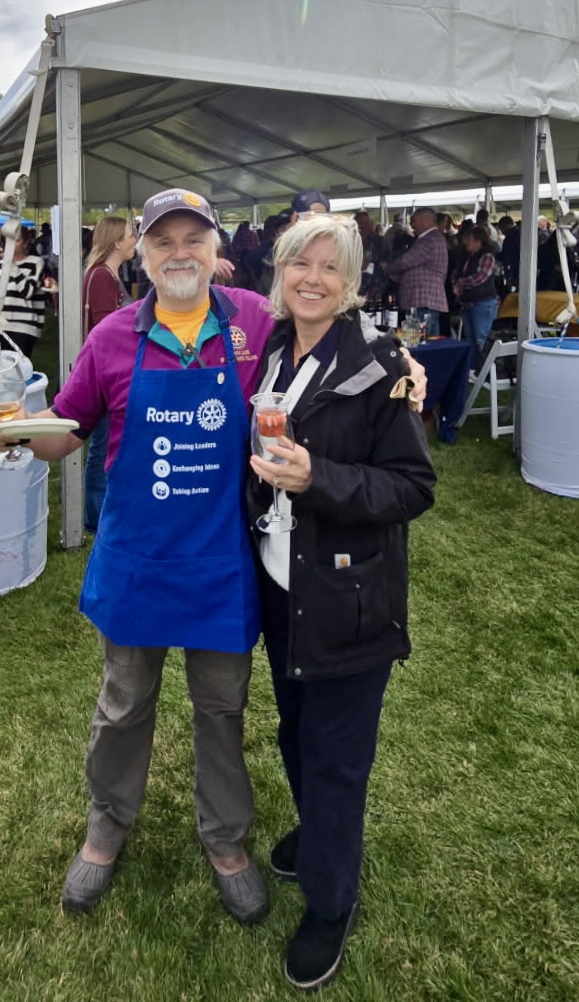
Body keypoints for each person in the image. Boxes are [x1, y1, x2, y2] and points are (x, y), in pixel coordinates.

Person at [0, 188, 428, 929]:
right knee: (123, 707)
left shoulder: (255, 321)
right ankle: (105, 830)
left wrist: (399, 360)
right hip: (137, 559)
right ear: (142, 255)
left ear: (217, 250)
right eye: (164, 241)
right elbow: (70, 429)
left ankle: (226, 842)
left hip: (223, 565)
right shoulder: (114, 338)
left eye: (195, 239)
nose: (180, 253)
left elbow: (332, 331)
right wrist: (20, 434)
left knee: (221, 712)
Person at [247, 214, 435, 991]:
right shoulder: (274, 345)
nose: (313, 279)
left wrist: (317, 476)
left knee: (336, 758)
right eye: (300, 264)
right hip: (282, 588)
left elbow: (412, 486)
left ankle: (332, 900)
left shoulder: (382, 365)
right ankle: (321, 838)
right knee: (297, 734)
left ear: (353, 281)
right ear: (281, 273)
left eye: (331, 267)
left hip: (350, 599)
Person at [81, 216, 137, 533]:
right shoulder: (102, 276)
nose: (134, 240)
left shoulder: (106, 273)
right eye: (131, 235)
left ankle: (100, 509)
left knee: (105, 443)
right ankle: (95, 515)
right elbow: (105, 331)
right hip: (105, 374)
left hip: (108, 372)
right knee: (101, 446)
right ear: (117, 241)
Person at [386, 207, 449, 336]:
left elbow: (406, 261)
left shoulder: (429, 239)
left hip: (423, 301)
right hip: (423, 301)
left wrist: (387, 267)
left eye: (414, 221)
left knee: (421, 344)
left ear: (426, 220)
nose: (412, 225)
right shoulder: (431, 238)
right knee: (427, 343)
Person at [0, 231, 45, 359]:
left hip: (23, 325)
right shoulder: (1, 264)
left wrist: (11, 264)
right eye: (8, 241)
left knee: (17, 370)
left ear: (26, 243)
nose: (10, 245)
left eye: (16, 240)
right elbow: (2, 294)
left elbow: (28, 292)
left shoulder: (36, 262)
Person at [452, 226, 500, 367]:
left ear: (478, 241)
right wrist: (455, 282)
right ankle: (473, 369)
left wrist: (459, 283)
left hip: (483, 302)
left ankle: (488, 370)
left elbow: (480, 277)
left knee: (481, 339)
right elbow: (456, 273)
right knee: (470, 339)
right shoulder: (467, 257)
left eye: (469, 239)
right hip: (468, 302)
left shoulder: (487, 257)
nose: (465, 242)